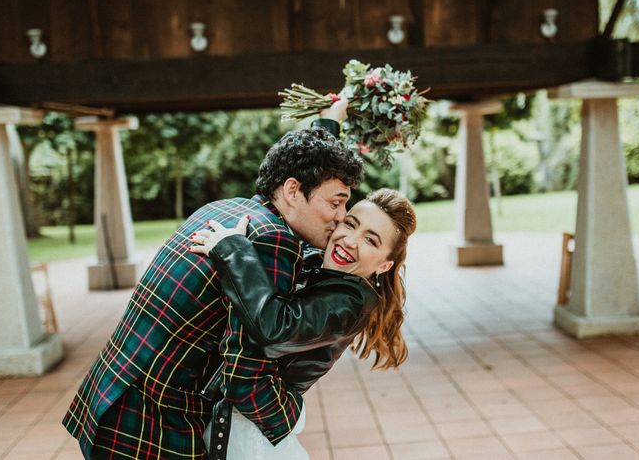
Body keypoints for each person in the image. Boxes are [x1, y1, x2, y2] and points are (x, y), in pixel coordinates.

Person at [63, 104, 362, 459]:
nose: (341, 218)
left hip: (112, 392)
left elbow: (310, 159)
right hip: (153, 425)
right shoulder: (270, 239)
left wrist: (329, 123)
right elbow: (244, 370)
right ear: (293, 191)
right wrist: (290, 425)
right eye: (336, 203)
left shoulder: (224, 208)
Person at [189, 188, 416, 460]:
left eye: (370, 240)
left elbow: (275, 329)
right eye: (350, 224)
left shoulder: (350, 304)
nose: (350, 240)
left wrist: (233, 251)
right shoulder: (320, 264)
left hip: (252, 432)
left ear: (384, 266)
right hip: (246, 415)